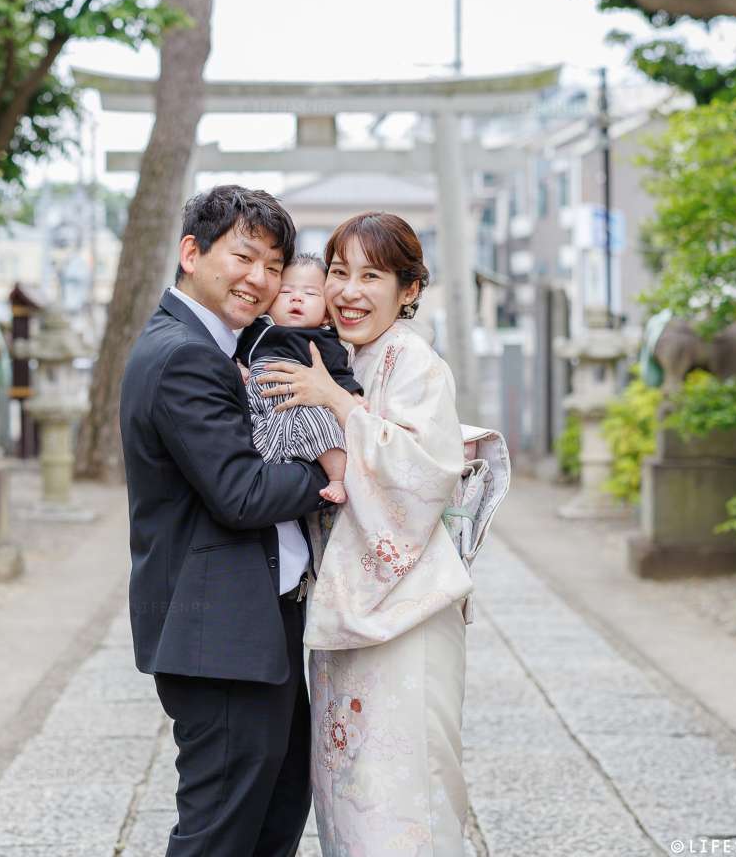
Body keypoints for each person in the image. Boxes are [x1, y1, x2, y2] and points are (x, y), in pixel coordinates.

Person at [257, 211, 476, 856]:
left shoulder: (415, 364)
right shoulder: (334, 352)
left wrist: (337, 400)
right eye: (338, 272)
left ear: (408, 291)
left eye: (371, 275)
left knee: (406, 791)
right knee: (347, 787)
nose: (348, 291)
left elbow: (423, 474)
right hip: (343, 606)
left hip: (406, 609)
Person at [119, 185, 328, 857]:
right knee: (220, 834)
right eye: (244, 257)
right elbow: (239, 493)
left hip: (249, 627)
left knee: (272, 813)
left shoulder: (214, 349)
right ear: (191, 253)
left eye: (274, 266)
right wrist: (331, 472)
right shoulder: (185, 354)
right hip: (220, 638)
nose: (260, 279)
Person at [235, 253, 364, 505]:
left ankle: (337, 477)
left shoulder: (323, 338)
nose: (296, 297)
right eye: (285, 292)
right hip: (262, 399)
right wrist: (237, 366)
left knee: (321, 425)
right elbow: (235, 353)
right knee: (247, 426)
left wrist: (354, 395)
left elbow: (339, 373)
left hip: (301, 402)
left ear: (327, 314)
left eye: (310, 294)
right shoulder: (257, 328)